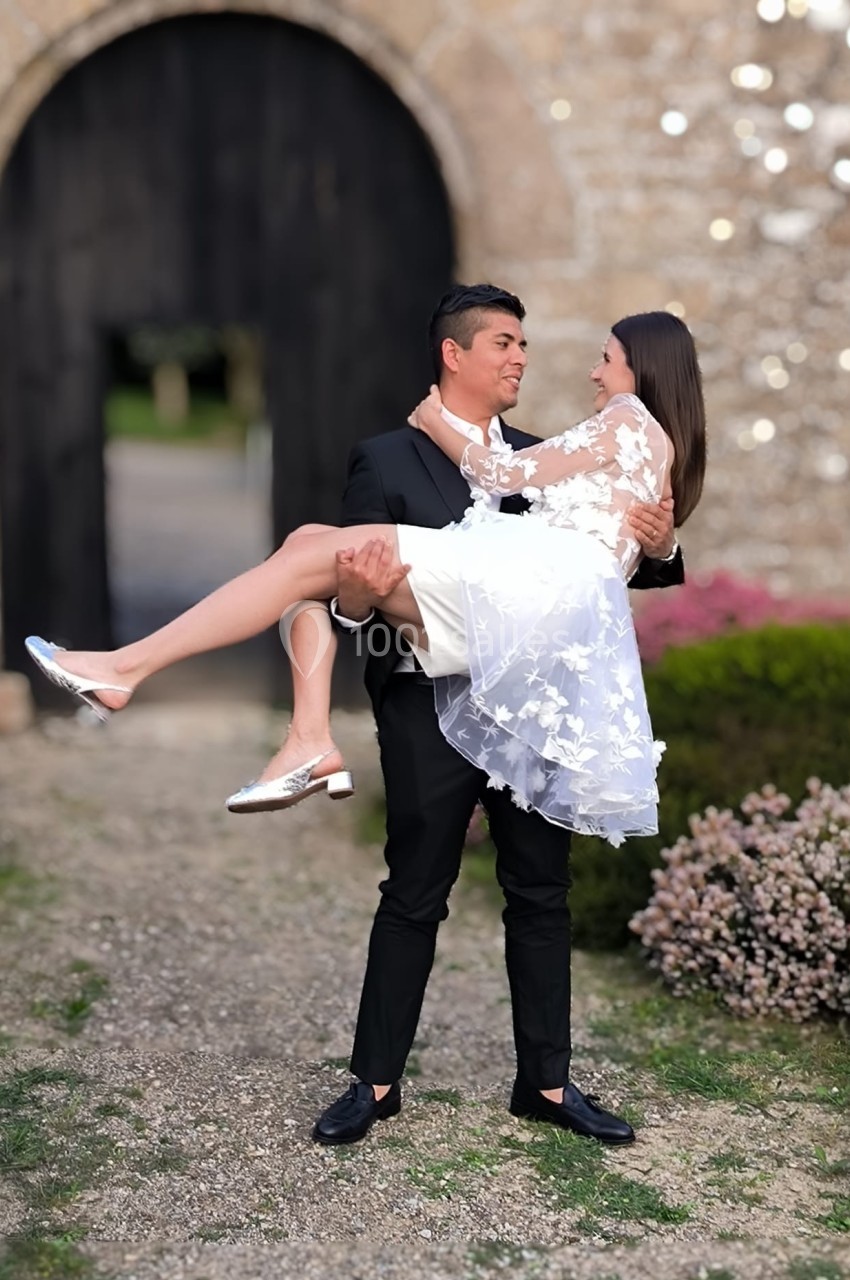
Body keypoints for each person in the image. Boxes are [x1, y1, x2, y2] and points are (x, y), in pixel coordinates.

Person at [26, 285, 705, 1144]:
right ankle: (375, 1083)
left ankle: (548, 1084)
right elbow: (340, 607)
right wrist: (361, 592)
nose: (526, 359)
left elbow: (618, 560)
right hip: (425, 694)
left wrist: (665, 538)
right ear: (453, 353)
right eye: (504, 342)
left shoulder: (559, 445)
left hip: (529, 693)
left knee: (541, 891)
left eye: (526, 344)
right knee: (413, 891)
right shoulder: (383, 459)